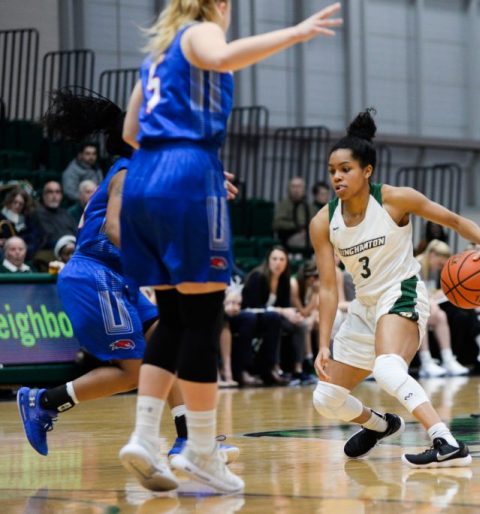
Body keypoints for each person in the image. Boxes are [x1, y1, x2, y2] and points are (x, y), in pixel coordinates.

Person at [117, 0, 342, 494]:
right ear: (219, 5)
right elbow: (220, 56)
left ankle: (143, 437)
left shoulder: (156, 55)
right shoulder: (200, 31)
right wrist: (296, 33)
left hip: (144, 178)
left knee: (173, 317)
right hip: (187, 174)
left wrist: (180, 161)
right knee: (203, 317)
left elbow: (131, 132)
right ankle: (201, 450)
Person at [17, 89, 238, 469]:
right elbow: (115, 228)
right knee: (132, 371)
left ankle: (188, 439)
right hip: (94, 274)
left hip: (116, 278)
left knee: (170, 341)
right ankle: (42, 402)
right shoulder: (127, 171)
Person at [310, 109, 480, 468]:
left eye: (346, 169)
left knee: (387, 368)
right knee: (326, 398)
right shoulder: (323, 221)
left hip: (401, 292)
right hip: (365, 306)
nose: (337, 176)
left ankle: (446, 442)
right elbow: (328, 289)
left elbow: (453, 220)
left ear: (367, 171)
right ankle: (380, 425)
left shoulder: (395, 199)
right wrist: (323, 343)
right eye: (332, 170)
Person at [241, 245, 315, 385]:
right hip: (254, 316)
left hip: (273, 316)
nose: (278, 263)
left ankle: (298, 370)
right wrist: (282, 311)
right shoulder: (257, 276)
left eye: (282, 259)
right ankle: (274, 368)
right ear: (268, 260)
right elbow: (253, 306)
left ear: (286, 262)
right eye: (274, 259)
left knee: (301, 324)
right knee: (275, 320)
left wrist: (294, 315)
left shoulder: (284, 280)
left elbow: (285, 306)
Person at [415, 240, 470, 377]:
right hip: (410, 304)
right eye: (439, 264)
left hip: (425, 304)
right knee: (424, 314)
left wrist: (437, 295)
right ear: (432, 254)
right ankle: (425, 361)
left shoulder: (432, 269)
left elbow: (430, 291)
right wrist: (430, 299)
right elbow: (415, 292)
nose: (440, 267)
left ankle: (447, 359)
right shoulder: (416, 266)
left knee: (441, 316)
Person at [32, 181, 77, 266]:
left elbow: (75, 233)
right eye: (50, 192)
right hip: (49, 254)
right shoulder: (37, 214)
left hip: (72, 251)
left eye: (57, 192)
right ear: (44, 195)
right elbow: (48, 237)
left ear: (61, 196)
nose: (54, 195)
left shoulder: (66, 214)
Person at [273, 176, 312, 250]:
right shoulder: (284, 205)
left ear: (303, 189)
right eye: (293, 186)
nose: (296, 190)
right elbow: (277, 223)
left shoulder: (309, 206)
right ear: (289, 189)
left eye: (299, 187)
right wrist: (298, 226)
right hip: (289, 236)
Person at [0, 187, 37, 253]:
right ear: (10, 202)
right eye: (15, 202)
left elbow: (32, 237)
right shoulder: (1, 217)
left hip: (22, 249)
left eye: (21, 204)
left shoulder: (27, 219)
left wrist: (16, 240)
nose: (17, 206)